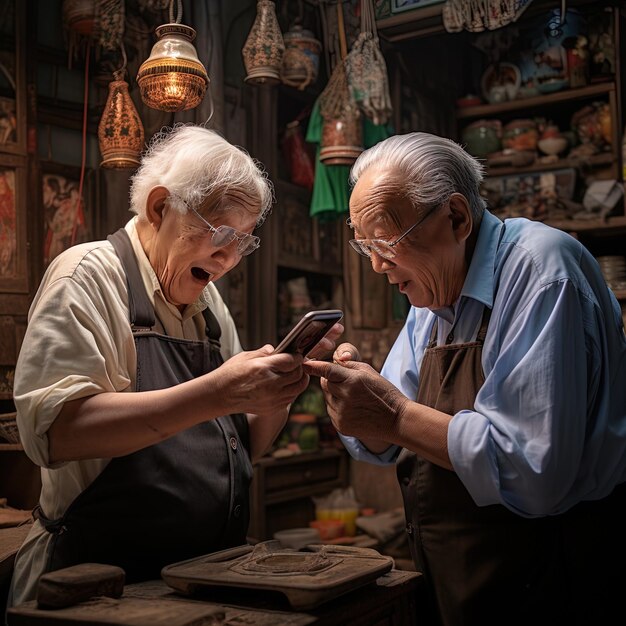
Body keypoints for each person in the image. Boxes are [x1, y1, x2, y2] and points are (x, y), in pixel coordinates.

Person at [8, 124, 342, 608]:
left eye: (244, 242)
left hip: (198, 581)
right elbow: (56, 432)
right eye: (221, 234)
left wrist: (279, 391)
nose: (229, 260)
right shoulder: (88, 276)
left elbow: (240, 449)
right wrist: (220, 393)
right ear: (160, 207)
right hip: (96, 588)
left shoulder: (208, 306)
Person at [305, 132, 626, 626]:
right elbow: (390, 436)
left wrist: (390, 414)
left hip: (548, 575)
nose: (376, 265)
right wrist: (353, 398)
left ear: (455, 217)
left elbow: (534, 472)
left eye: (386, 242)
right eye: (364, 245)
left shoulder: (541, 270)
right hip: (458, 578)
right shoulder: (433, 295)